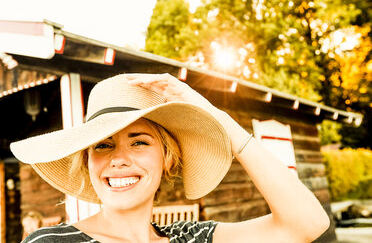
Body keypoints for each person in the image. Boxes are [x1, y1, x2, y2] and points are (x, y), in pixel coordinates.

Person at [12, 73, 330, 243]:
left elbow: (306, 225)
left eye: (139, 143)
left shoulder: (192, 238)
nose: (119, 159)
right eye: (103, 146)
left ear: (166, 158)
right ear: (88, 162)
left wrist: (215, 116)